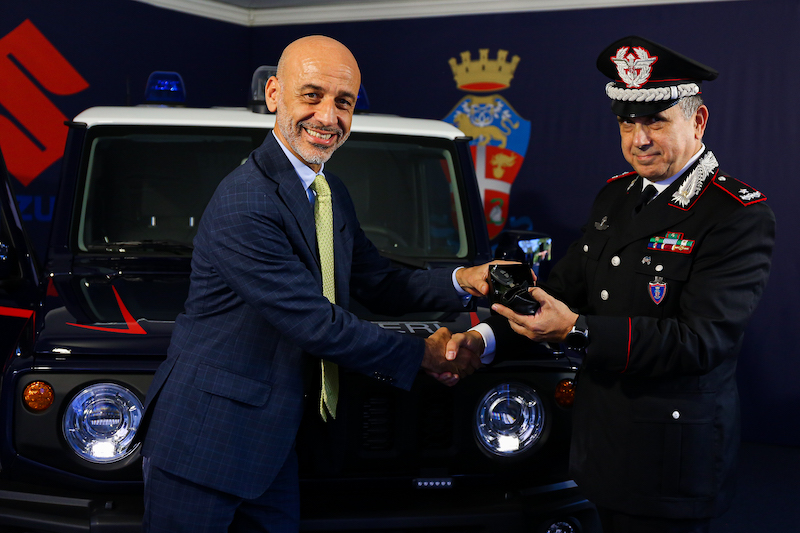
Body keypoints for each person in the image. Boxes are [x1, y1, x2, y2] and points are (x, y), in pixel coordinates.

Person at [140, 35, 489, 533]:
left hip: (271, 447)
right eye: (312, 95)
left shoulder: (328, 191)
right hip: (204, 446)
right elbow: (317, 325)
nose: (328, 117)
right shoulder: (246, 201)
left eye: (343, 102)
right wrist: (425, 354)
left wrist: (463, 280)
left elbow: (378, 281)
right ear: (275, 94)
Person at [448, 35, 775, 533]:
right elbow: (561, 295)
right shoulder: (615, 196)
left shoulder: (735, 214)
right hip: (599, 449)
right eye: (627, 122)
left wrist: (577, 330)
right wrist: (482, 338)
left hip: (670, 461)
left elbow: (700, 341)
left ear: (698, 122)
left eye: (655, 121)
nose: (638, 139)